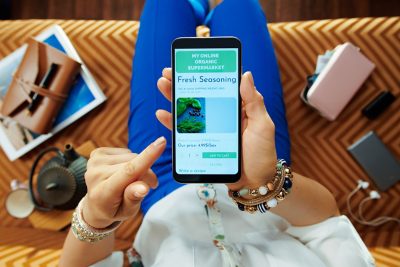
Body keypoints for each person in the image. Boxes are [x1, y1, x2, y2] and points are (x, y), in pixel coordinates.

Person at [60, 0, 375, 266]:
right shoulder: (263, 178)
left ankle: (195, 6)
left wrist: (94, 217)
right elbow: (326, 221)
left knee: (165, 5)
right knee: (240, 7)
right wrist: (267, 183)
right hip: (258, 181)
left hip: (160, 186)